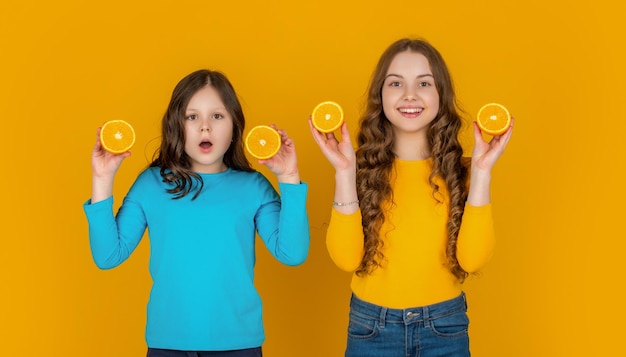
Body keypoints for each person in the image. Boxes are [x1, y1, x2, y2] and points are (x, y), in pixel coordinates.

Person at [84, 69, 310, 357]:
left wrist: (289, 176)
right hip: (167, 345)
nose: (205, 127)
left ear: (234, 127)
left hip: (238, 346)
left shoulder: (254, 187)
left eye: (217, 116)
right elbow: (107, 256)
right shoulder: (151, 184)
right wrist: (102, 179)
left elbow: (292, 253)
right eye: (192, 117)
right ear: (176, 126)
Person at [309, 38, 513, 356]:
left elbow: (472, 260)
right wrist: (343, 173)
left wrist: (483, 173)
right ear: (381, 95)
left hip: (445, 327)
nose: (409, 95)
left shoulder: (464, 171)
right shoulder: (357, 167)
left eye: (424, 83)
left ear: (440, 95)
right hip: (371, 328)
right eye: (395, 83)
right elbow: (347, 259)